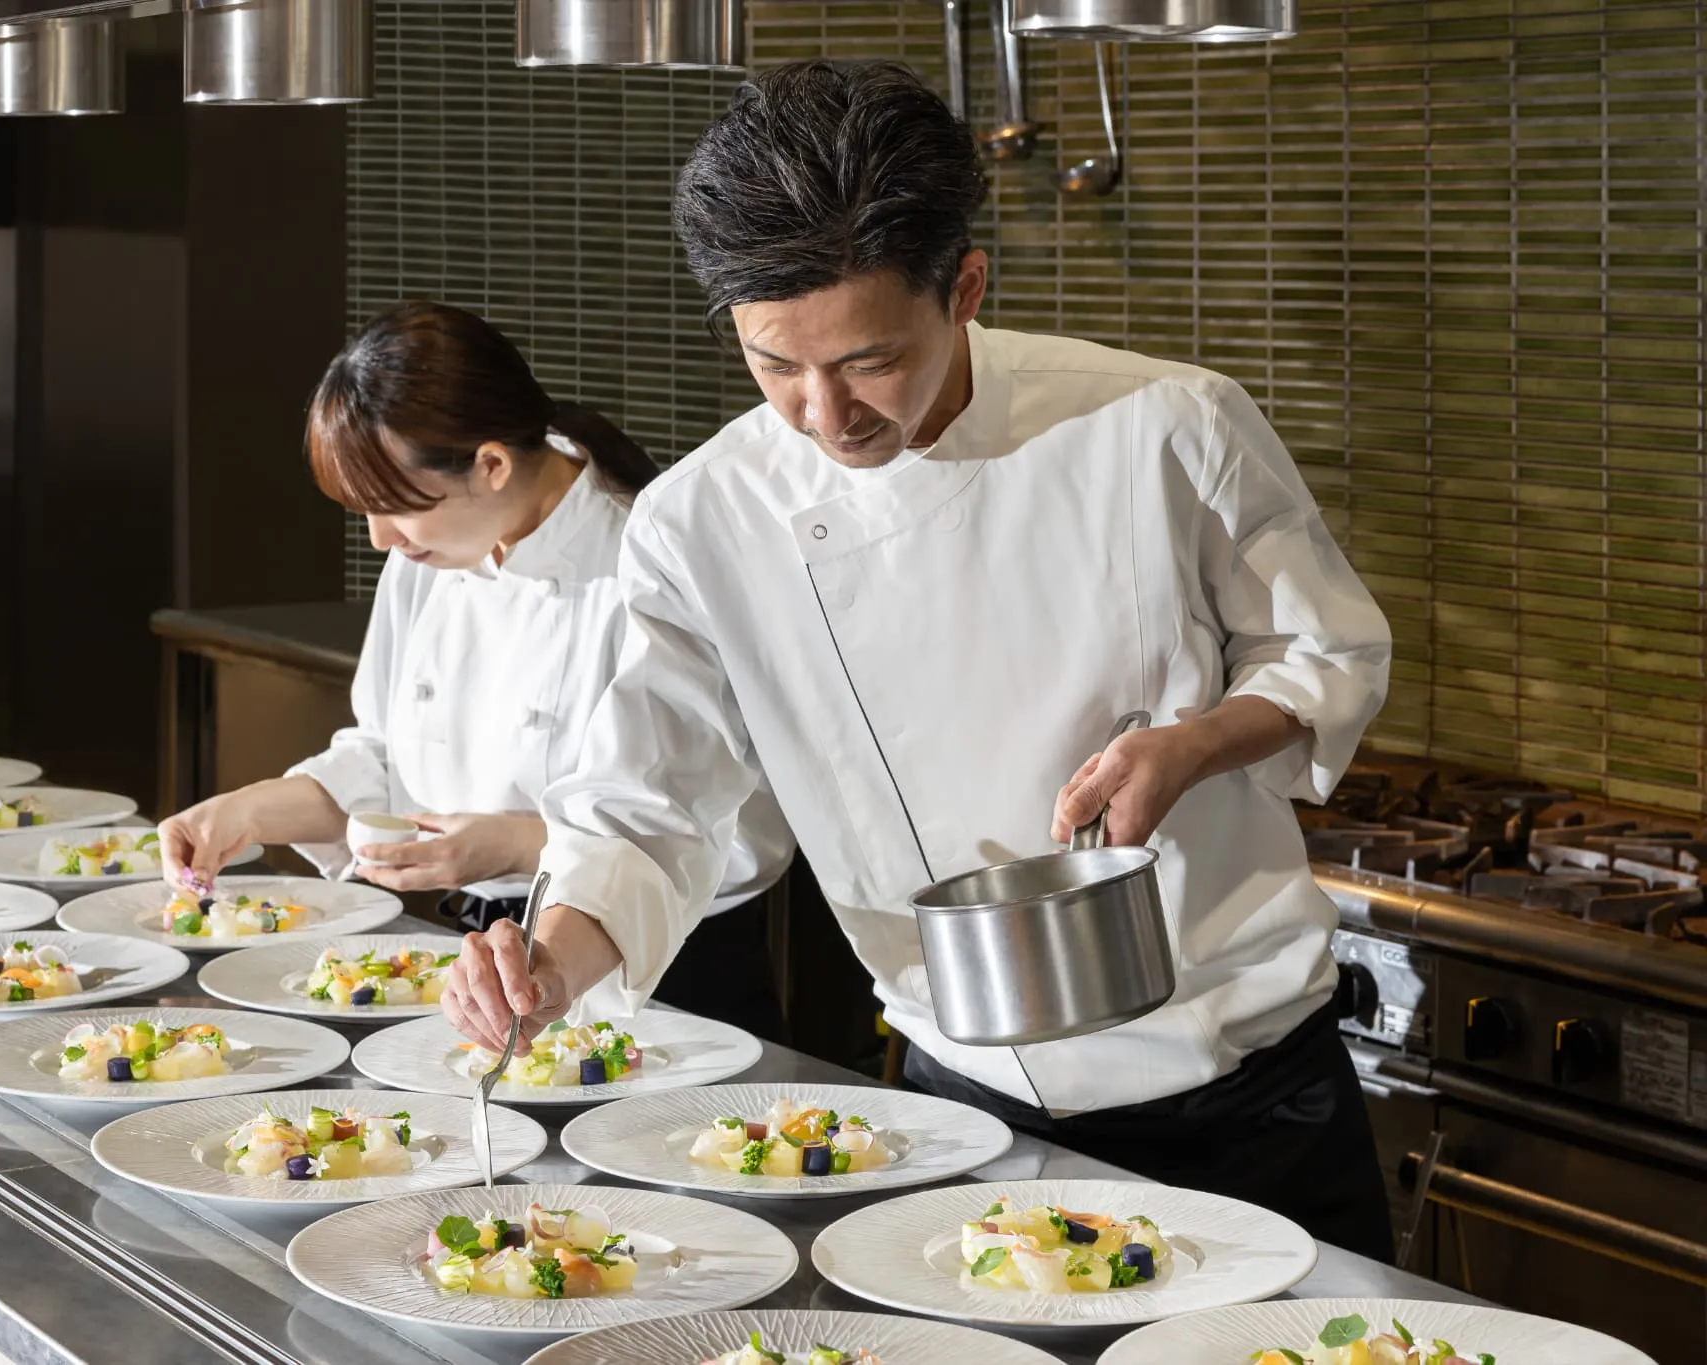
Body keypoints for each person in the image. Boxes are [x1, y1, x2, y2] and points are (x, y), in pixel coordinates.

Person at [437, 62, 1399, 1260]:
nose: (823, 414)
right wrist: (547, 965)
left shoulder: (1160, 424)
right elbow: (651, 806)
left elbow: (1321, 648)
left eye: (867, 361)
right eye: (773, 365)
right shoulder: (701, 520)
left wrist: (1198, 743)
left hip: (1247, 1098)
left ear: (965, 289)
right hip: (960, 1115)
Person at [157, 301, 795, 1041]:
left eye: (395, 507)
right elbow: (388, 761)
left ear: (491, 464)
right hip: (478, 966)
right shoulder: (432, 552)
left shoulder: (648, 563)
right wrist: (244, 814)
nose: (380, 538)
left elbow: (740, 834)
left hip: (662, 979)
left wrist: (515, 844)